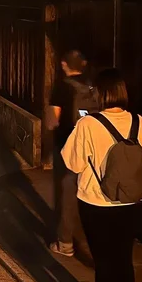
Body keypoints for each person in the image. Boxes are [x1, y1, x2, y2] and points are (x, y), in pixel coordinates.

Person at [62, 69, 142, 282]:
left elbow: (73, 163)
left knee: (104, 263)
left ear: (100, 94)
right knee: (123, 259)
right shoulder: (138, 121)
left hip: (97, 202)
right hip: (131, 201)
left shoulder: (88, 124)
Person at [46, 50, 97, 257]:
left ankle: (65, 243)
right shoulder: (92, 86)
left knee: (67, 194)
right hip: (92, 147)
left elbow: (52, 121)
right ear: (83, 64)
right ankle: (90, 240)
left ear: (63, 64)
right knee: (90, 192)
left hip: (67, 146)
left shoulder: (62, 87)